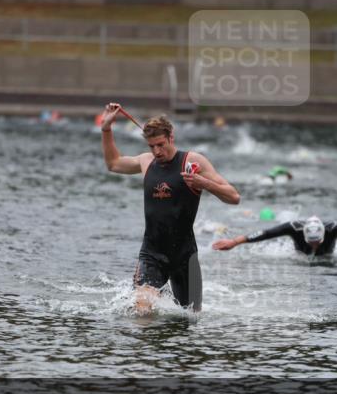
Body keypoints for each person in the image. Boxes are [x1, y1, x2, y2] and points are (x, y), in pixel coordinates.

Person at [100, 103, 240, 313]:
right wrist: (106, 129)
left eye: (160, 144)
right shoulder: (146, 162)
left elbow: (233, 196)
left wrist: (203, 183)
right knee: (142, 310)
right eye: (151, 146)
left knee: (190, 318)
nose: (156, 151)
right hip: (152, 253)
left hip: (185, 255)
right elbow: (113, 163)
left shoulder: (192, 162)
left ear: (171, 137)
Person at [212, 216, 337, 259]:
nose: (314, 246)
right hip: (299, 257)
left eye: (316, 242)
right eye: (310, 242)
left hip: (327, 259)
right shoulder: (293, 227)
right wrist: (234, 242)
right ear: (304, 235)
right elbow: (265, 234)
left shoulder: (333, 228)